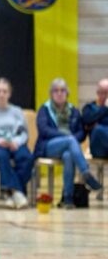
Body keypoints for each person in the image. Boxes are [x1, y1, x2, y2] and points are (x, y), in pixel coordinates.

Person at [36, 77, 102, 208]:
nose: (59, 93)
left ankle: (68, 199)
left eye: (62, 90)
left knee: (68, 156)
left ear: (67, 93)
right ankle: (85, 172)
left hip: (69, 148)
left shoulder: (74, 111)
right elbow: (44, 130)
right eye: (56, 90)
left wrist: (70, 139)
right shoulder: (44, 109)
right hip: (49, 146)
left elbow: (82, 133)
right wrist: (66, 136)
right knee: (70, 140)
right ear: (51, 93)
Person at [0, 78, 33, 210]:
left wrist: (16, 142)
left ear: (9, 94)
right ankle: (18, 192)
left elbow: (24, 133)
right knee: (1, 157)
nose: (1, 94)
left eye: (4, 91)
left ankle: (10, 192)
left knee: (27, 158)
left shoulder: (17, 111)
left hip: (15, 143)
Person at [81, 78, 108, 161]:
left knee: (99, 128)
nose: (107, 96)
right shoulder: (89, 108)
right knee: (98, 130)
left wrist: (97, 121)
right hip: (98, 148)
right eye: (104, 92)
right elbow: (86, 120)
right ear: (98, 93)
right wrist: (105, 107)